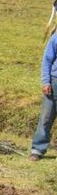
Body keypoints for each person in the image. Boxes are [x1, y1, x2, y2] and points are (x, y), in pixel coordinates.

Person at [30, 31, 57, 160]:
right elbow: (47, 60)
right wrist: (46, 82)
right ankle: (38, 149)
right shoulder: (55, 38)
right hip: (54, 82)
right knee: (46, 117)